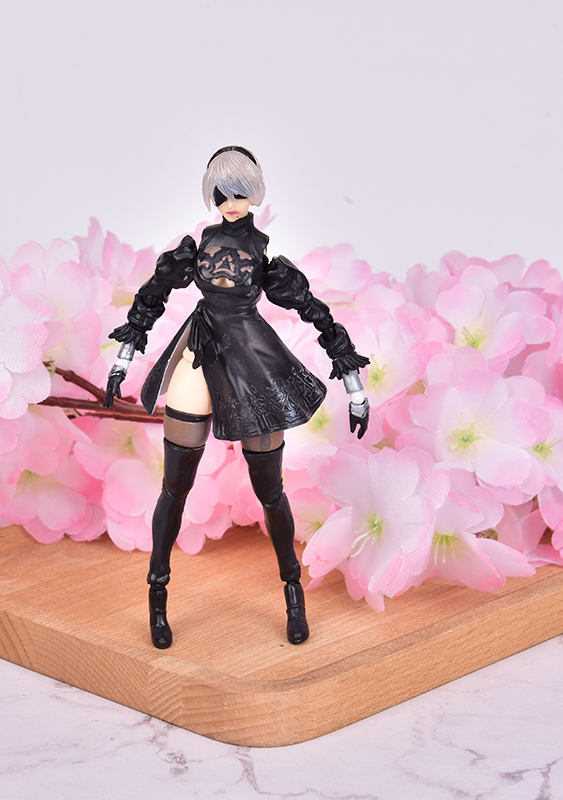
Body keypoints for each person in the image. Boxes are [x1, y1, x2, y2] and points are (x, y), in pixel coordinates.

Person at [103, 146, 370, 649]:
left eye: (240, 193)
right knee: (174, 486)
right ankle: (157, 595)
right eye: (222, 194)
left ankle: (293, 591)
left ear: (255, 195)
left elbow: (316, 312)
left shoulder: (266, 260)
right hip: (200, 350)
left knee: (270, 490)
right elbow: (152, 297)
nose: (230, 203)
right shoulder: (196, 248)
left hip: (251, 359)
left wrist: (354, 386)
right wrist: (123, 358)